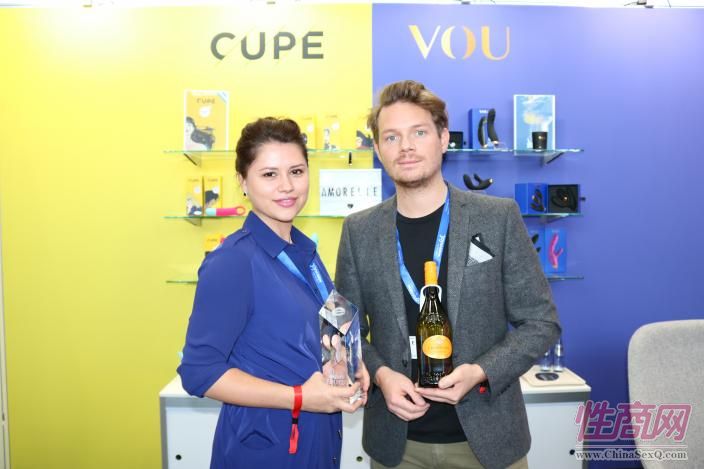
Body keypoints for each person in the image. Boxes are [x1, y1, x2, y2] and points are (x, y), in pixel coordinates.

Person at [335, 80, 561, 469]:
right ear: (378, 149)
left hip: (488, 442)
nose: (405, 147)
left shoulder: (497, 218)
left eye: (419, 133)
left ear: (443, 138)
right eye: (391, 137)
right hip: (397, 445)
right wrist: (383, 375)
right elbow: (345, 330)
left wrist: (481, 372)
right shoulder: (359, 231)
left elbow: (541, 323)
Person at [178, 117, 369, 469]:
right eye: (269, 174)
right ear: (243, 182)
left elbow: (329, 321)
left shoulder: (306, 251)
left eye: (296, 171)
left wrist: (353, 363)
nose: (287, 186)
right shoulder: (232, 261)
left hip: (318, 442)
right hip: (268, 448)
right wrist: (299, 397)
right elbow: (198, 372)